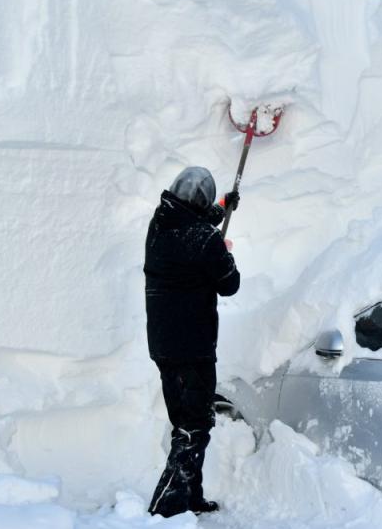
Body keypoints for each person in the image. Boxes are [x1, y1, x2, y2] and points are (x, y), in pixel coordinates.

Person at [144, 166, 240, 518]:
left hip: (164, 346)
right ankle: (164, 509)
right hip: (193, 348)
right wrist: (225, 254)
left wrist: (222, 208)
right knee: (194, 428)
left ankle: (189, 497)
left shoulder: (160, 224)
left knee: (185, 424)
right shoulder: (203, 239)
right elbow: (230, 283)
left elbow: (193, 228)